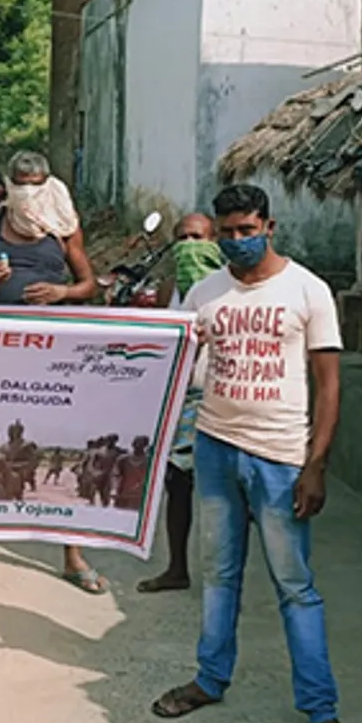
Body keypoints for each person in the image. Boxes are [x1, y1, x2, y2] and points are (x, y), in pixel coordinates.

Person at [150, 184, 362, 723]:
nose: (237, 241)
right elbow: (175, 366)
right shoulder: (204, 293)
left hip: (280, 458)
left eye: (248, 230)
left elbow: (329, 385)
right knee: (219, 575)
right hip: (217, 450)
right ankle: (210, 679)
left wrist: (316, 465)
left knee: (295, 586)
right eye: (228, 232)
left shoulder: (307, 290)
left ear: (270, 226)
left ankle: (321, 710)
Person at [0, 151, 106, 593]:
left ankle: (73, 554)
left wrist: (61, 291)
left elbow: (89, 284)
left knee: (63, 447)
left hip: (55, 352)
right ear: (7, 185)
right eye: (20, 184)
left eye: (35, 184)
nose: (28, 193)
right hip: (2, 354)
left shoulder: (62, 221)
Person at [140, 213, 224, 593]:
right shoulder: (170, 288)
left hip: (224, 396)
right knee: (178, 481)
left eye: (198, 238)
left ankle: (224, 573)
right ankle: (177, 567)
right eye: (183, 239)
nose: (190, 246)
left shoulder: (229, 288)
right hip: (182, 394)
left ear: (215, 240)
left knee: (226, 487)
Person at [116, 436, 152, 511]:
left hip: (140, 496)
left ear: (145, 445)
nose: (137, 445)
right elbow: (116, 474)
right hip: (123, 495)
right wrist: (115, 488)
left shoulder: (149, 461)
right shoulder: (123, 459)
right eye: (136, 443)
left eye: (140, 443)